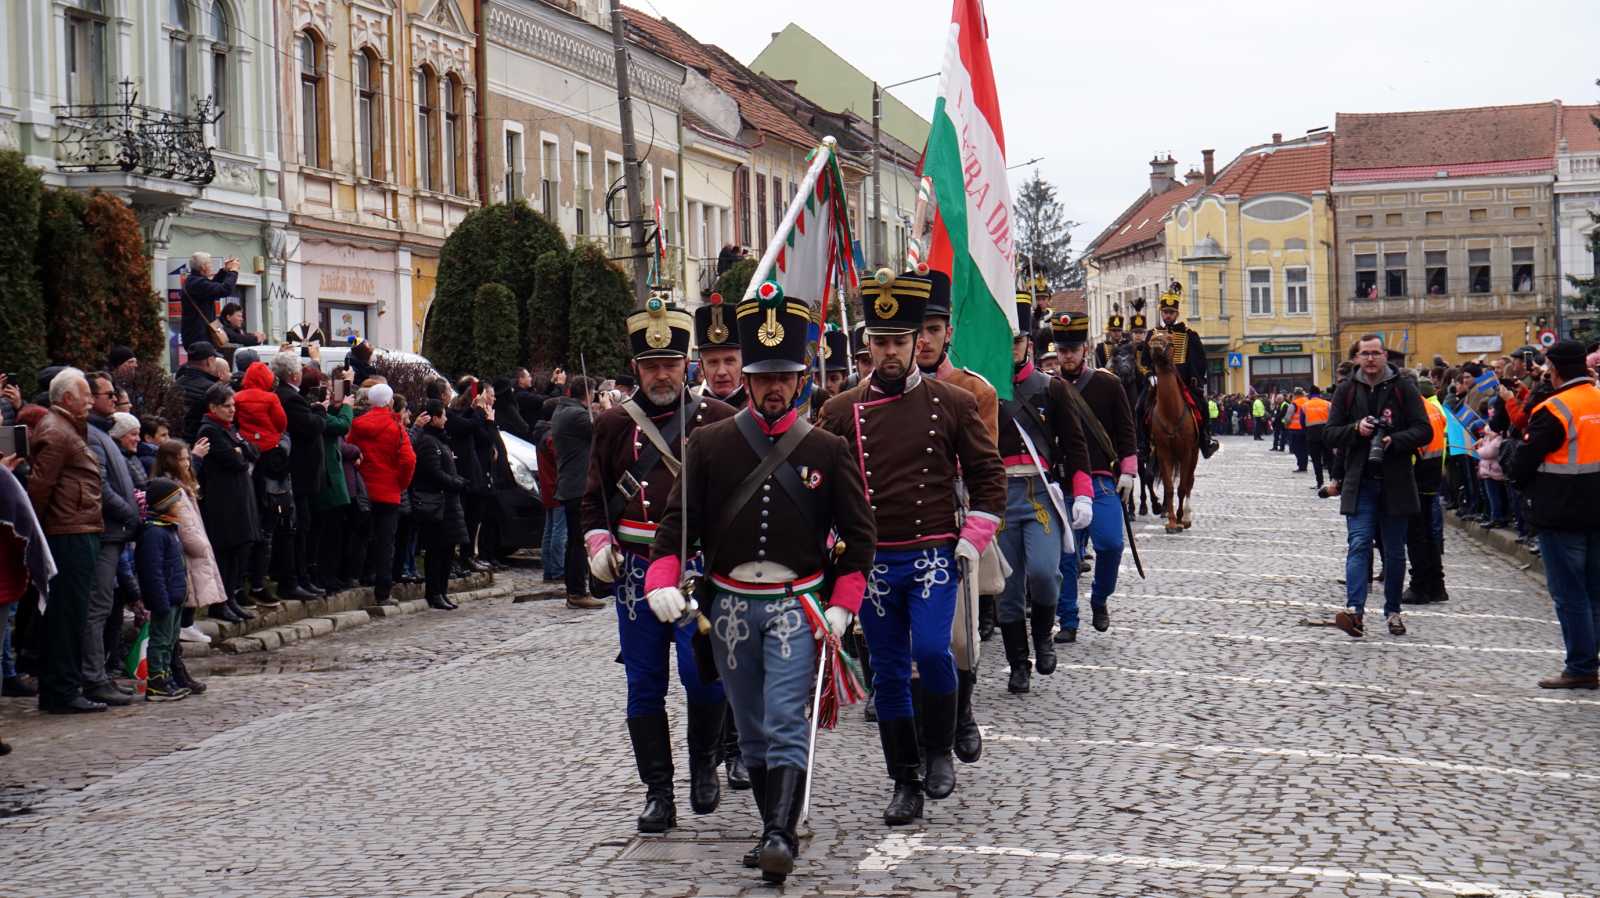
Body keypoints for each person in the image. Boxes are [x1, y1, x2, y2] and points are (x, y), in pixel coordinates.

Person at [642, 290, 875, 883]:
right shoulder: (710, 445)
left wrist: (845, 603)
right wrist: (661, 580)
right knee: (749, 727)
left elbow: (859, 535)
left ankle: (777, 832)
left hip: (799, 604)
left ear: (801, 380)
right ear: (746, 379)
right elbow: (675, 528)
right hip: (729, 608)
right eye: (763, 375)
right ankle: (775, 821)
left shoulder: (828, 448)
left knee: (785, 716)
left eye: (786, 376)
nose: (775, 386)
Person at [816, 270, 1005, 824]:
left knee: (931, 651)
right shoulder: (840, 410)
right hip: (873, 561)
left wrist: (974, 536)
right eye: (882, 343)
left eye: (902, 341)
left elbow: (988, 477)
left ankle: (940, 747)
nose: (893, 352)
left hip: (932, 555)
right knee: (890, 674)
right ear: (868, 345)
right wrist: (827, 544)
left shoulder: (952, 403)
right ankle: (904, 779)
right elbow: (817, 483)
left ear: (918, 340)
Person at [582, 298, 736, 833]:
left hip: (697, 568)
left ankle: (703, 766)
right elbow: (591, 497)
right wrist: (598, 542)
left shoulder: (719, 419)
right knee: (645, 685)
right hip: (637, 572)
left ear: (686, 364)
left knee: (705, 677)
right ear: (637, 370)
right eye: (651, 367)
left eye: (671, 364)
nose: (662, 374)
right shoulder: (610, 425)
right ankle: (657, 792)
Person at [909, 270, 1001, 762]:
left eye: (933, 330)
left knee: (960, 639)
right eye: (916, 331)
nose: (923, 341)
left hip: (956, 520)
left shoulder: (975, 392)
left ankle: (963, 713)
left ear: (949, 334)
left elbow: (984, 465)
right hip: (900, 527)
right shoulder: (871, 391)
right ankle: (918, 742)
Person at [992, 301, 1092, 701]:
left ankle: (1044, 639)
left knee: (1044, 574)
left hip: (1039, 493)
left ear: (1028, 343)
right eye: (1004, 341)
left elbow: (1075, 447)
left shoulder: (1052, 389)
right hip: (998, 496)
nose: (1011, 348)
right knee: (1008, 588)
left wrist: (1082, 492)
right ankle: (1019, 664)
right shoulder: (982, 390)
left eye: (1016, 341)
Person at [1324, 335, 1431, 639]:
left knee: (1395, 553)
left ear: (1385, 356)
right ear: (1356, 358)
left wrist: (1394, 440)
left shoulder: (1404, 388)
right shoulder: (1346, 390)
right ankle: (1355, 611)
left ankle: (1393, 610)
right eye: (1364, 354)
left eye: (1376, 353)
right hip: (1360, 482)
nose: (1370, 359)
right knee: (1358, 544)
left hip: (1396, 480)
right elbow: (1330, 434)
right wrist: (1356, 430)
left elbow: (1424, 430)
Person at [1505, 340, 1598, 687]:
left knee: (1570, 593)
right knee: (1595, 591)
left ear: (1555, 370)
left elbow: (1524, 460)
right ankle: (1591, 658)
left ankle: (1581, 667)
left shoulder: (1554, 408)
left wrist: (1516, 475)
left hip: (1561, 512)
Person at [1052, 310, 1136, 644]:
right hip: (1064, 482)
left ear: (1084, 349)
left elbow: (1127, 431)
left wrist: (1128, 471)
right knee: (1067, 558)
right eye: (1061, 350)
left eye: (1072, 349)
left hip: (1102, 480)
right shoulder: (1049, 387)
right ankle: (1068, 619)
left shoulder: (1108, 383)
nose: (1067, 355)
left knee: (1112, 545)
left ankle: (1100, 597)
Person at [28, 369, 108, 713]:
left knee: (71, 612)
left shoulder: (66, 427)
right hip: (67, 532)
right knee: (67, 614)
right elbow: (40, 487)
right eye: (84, 394)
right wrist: (37, 534)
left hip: (76, 527)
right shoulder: (56, 431)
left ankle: (63, 686)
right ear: (65, 398)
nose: (90, 400)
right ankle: (62, 689)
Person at [82, 372, 138, 707]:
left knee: (105, 607)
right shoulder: (92, 435)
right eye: (108, 394)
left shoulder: (102, 433)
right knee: (98, 607)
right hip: (105, 531)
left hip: (114, 533)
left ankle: (100, 673)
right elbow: (100, 487)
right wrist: (129, 513)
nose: (114, 398)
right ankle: (93, 676)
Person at [196, 384, 262, 624]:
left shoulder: (229, 428)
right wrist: (240, 452)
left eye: (233, 405)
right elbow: (235, 461)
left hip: (240, 497)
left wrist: (241, 450)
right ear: (213, 407)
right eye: (227, 406)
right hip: (223, 500)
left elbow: (253, 452)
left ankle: (231, 598)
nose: (232, 410)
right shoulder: (210, 430)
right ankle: (220, 603)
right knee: (225, 552)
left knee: (239, 550)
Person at [347, 384, 415, 608]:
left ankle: (353, 577)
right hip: (388, 490)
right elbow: (408, 460)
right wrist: (400, 483)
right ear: (389, 402)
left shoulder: (358, 424)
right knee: (386, 542)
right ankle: (383, 590)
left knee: (360, 536)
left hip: (364, 488)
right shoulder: (395, 427)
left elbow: (351, 449)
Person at [272, 354, 327, 599]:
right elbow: (310, 426)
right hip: (300, 473)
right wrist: (322, 412)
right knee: (299, 528)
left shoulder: (291, 396)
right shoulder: (289, 398)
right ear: (294, 374)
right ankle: (297, 578)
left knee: (303, 527)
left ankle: (303, 577)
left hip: (301, 473)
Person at [134, 478, 191, 701]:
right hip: (164, 598)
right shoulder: (154, 533)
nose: (181, 505)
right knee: (160, 640)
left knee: (169, 640)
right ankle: (157, 682)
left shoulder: (168, 529)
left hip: (175, 597)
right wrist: (160, 600)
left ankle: (166, 676)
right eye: (177, 502)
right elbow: (152, 572)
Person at [411, 399, 468, 610]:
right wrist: (456, 483)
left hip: (448, 502)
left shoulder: (441, 441)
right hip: (436, 502)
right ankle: (434, 592)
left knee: (446, 550)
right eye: (443, 415)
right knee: (436, 550)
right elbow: (433, 472)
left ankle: (442, 591)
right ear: (434, 418)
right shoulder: (427, 442)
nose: (445, 419)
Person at [551, 377, 602, 609]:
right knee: (578, 543)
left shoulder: (564, 410)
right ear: (589, 393)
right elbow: (604, 428)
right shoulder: (577, 415)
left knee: (576, 541)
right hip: (577, 485)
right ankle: (577, 592)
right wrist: (608, 406)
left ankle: (578, 589)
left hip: (570, 484)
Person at [1152, 286, 1219, 458]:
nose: (1167, 315)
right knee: (1139, 408)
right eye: (1165, 312)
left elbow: (1199, 360)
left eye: (1171, 312)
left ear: (1177, 314)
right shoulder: (1152, 335)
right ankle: (1143, 445)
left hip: (1184, 383)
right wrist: (1149, 375)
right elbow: (1145, 360)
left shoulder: (1189, 335)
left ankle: (1206, 440)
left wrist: (1195, 379)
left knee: (1202, 405)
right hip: (1158, 383)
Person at [1404, 378, 1450, 606]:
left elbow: (1409, 446)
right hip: (1432, 475)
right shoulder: (1433, 408)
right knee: (1429, 536)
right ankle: (1437, 586)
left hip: (1416, 477)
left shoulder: (1413, 412)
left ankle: (1420, 586)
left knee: (1416, 536)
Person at [180, 252, 241, 349]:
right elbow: (224, 290)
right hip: (199, 339)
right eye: (210, 264)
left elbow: (212, 287)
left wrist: (224, 271)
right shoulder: (197, 283)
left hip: (199, 336)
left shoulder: (195, 281)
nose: (212, 266)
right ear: (203, 267)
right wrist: (234, 271)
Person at [695, 293, 746, 407]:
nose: (721, 372)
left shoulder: (761, 413)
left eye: (729, 361)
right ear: (701, 367)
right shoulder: (687, 414)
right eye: (713, 362)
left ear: (743, 364)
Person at [176, 342, 222, 443]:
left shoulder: (177, 383)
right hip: (203, 442)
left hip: (177, 440)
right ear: (209, 361)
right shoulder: (212, 389)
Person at [1302, 385, 1332, 488]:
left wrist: (1307, 431)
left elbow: (1302, 421)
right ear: (1320, 394)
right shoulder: (1328, 404)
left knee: (1316, 460)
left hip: (1312, 434)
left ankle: (1320, 482)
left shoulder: (1305, 405)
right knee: (1329, 458)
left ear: (1310, 394)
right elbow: (1334, 418)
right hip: (1327, 433)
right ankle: (1334, 481)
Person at [1286, 387, 1308, 470]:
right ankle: (1304, 465)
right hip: (1306, 429)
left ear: (1295, 395)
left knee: (1296, 448)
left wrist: (1286, 425)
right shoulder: (1308, 401)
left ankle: (1301, 465)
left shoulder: (1294, 403)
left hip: (1295, 430)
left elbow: (1288, 417)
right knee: (1304, 448)